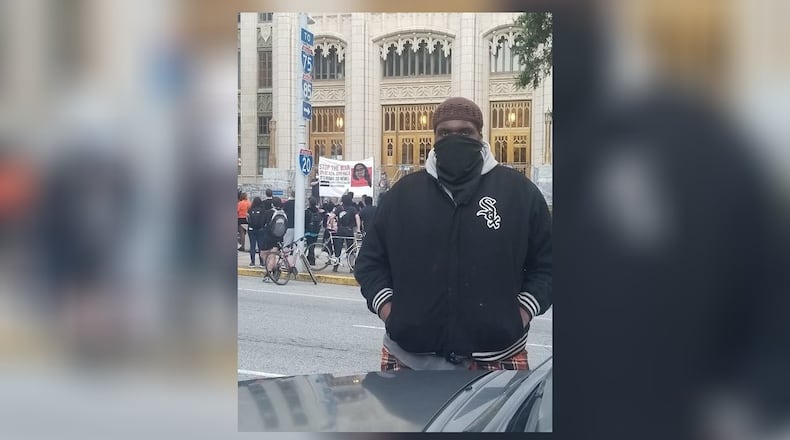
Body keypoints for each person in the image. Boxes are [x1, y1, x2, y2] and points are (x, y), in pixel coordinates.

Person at [354, 96, 552, 371]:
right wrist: (390, 311)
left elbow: (548, 265)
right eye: (445, 132)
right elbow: (369, 263)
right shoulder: (401, 195)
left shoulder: (520, 194)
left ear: (480, 135)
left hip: (498, 358)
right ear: (434, 137)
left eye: (465, 131)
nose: (454, 138)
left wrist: (519, 314)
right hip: (408, 358)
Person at [333, 193, 360, 272]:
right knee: (350, 248)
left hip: (340, 230)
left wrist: (332, 225)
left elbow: (332, 216)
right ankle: (351, 266)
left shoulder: (339, 208)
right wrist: (358, 229)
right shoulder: (353, 209)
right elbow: (357, 217)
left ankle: (336, 265)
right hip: (349, 230)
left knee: (338, 248)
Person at [258, 197, 284, 277]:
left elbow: (262, 223)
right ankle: (274, 268)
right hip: (279, 237)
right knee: (272, 254)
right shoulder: (283, 213)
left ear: (272, 204)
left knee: (263, 254)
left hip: (269, 236)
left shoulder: (269, 212)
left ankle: (269, 273)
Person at [246, 197, 266, 267]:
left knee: (252, 246)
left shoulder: (250, 210)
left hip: (251, 230)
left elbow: (248, 220)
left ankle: (252, 262)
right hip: (260, 230)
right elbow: (264, 221)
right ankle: (261, 262)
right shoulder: (263, 210)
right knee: (260, 246)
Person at [304, 197, 324, 265]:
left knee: (310, 245)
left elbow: (305, 221)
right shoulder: (318, 211)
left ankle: (311, 260)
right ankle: (310, 258)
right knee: (313, 245)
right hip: (316, 231)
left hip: (308, 231)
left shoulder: (307, 211)